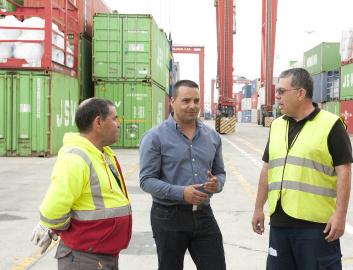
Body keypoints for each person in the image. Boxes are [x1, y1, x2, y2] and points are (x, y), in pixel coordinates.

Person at [251, 68, 353, 270]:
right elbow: (267, 168)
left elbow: (344, 171)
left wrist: (340, 214)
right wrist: (258, 208)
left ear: (301, 93)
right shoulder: (277, 125)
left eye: (282, 91)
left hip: (316, 226)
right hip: (280, 224)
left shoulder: (331, 125)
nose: (277, 97)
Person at [30, 97, 132, 269]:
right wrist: (67, 231)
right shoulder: (75, 158)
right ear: (98, 122)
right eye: (115, 119)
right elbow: (53, 211)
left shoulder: (102, 153)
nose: (119, 124)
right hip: (84, 257)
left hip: (102, 253)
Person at [139, 80, 226, 270]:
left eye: (196, 100)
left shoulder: (212, 136)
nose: (192, 106)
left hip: (204, 214)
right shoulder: (155, 137)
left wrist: (216, 184)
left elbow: (220, 172)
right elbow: (146, 181)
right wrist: (181, 192)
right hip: (168, 216)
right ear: (172, 101)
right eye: (186, 100)